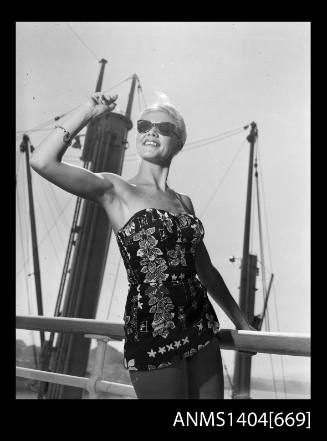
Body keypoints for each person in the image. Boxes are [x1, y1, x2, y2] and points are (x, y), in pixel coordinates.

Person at [30, 91, 255, 399]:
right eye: (144, 124)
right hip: (153, 326)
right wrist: (87, 111)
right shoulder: (115, 188)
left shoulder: (184, 202)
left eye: (162, 128)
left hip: (201, 323)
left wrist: (241, 322)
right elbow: (42, 161)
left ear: (178, 142)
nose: (151, 131)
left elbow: (205, 269)